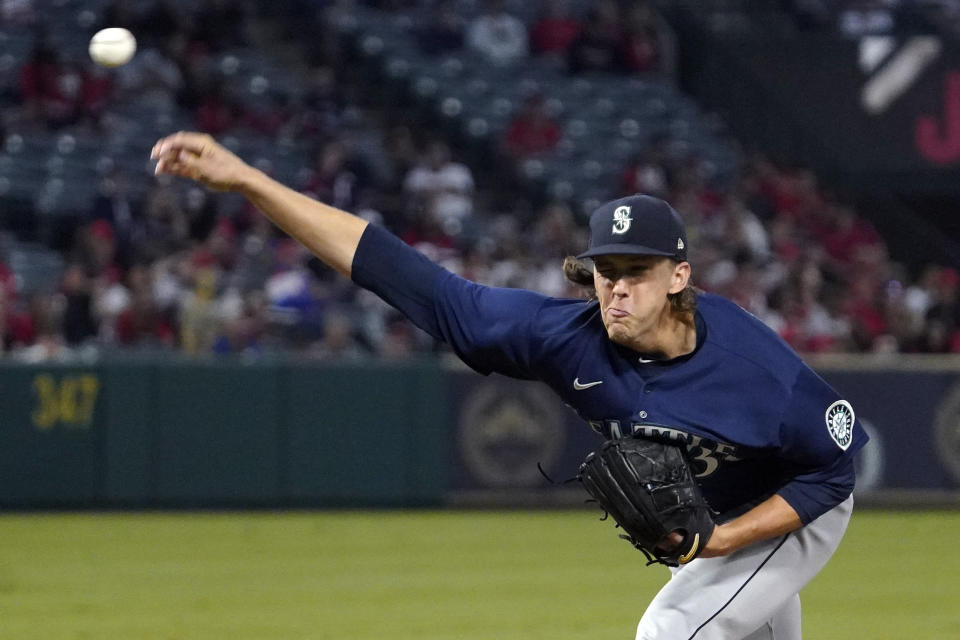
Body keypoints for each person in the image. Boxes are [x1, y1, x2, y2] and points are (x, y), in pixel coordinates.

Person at [151, 132, 869, 640]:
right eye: (604, 272)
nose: (615, 290)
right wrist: (248, 180)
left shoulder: (757, 368)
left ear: (679, 277)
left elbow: (836, 468)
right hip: (720, 510)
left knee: (673, 626)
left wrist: (724, 541)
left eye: (636, 273)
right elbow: (399, 273)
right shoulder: (562, 338)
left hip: (791, 508)